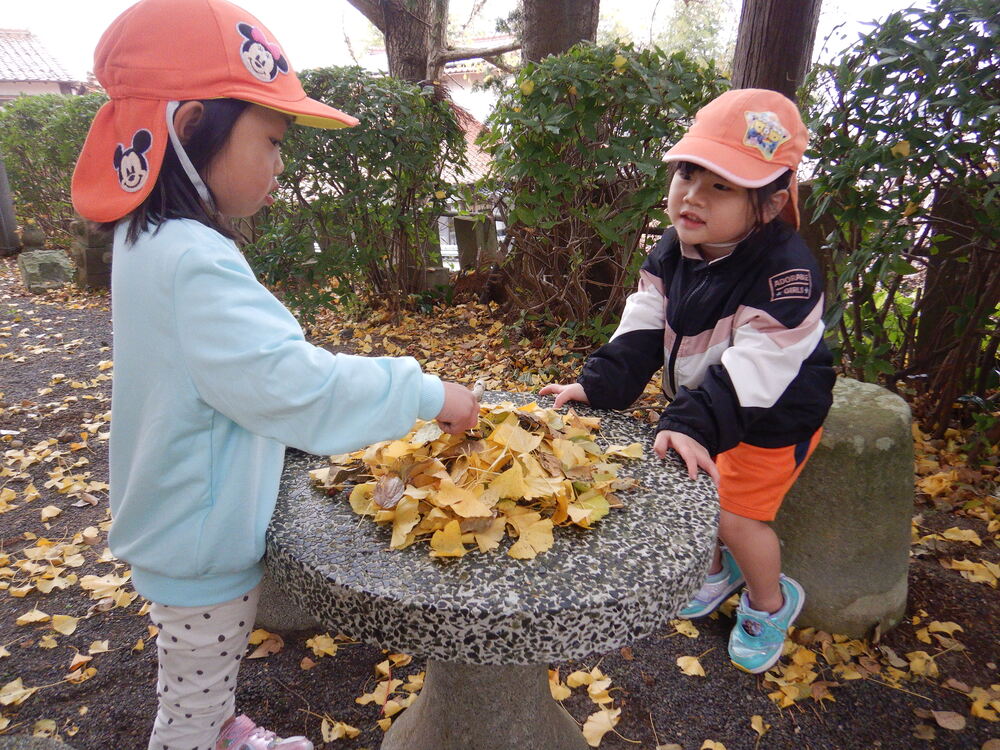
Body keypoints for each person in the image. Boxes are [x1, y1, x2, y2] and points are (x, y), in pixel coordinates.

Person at [70, 1, 480, 748]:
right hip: (200, 540)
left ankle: (219, 726)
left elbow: (231, 377)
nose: (281, 164)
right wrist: (426, 392)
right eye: (272, 140)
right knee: (189, 701)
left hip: (178, 511)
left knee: (199, 676)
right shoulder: (193, 260)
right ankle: (202, 735)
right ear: (191, 127)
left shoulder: (147, 238)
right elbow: (296, 386)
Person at [540, 88, 835, 675]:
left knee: (735, 515)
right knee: (697, 489)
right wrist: (601, 385)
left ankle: (770, 602)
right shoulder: (676, 245)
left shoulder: (788, 276)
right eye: (687, 174)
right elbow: (645, 318)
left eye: (722, 186)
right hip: (708, 407)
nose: (693, 195)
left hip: (771, 417)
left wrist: (692, 422)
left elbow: (756, 368)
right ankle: (714, 570)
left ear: (771, 204)